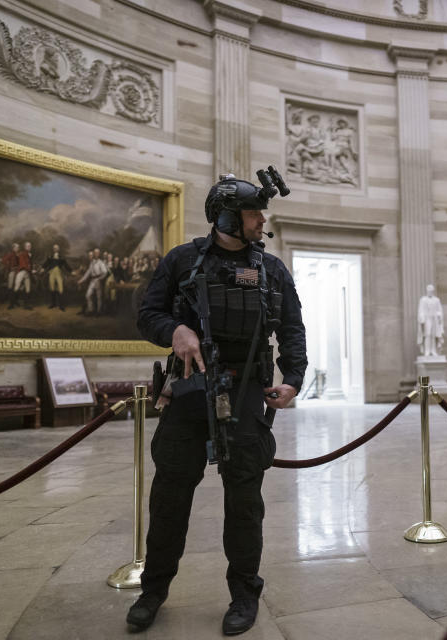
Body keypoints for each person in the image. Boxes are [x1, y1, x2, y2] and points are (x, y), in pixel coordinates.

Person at [127, 169, 306, 636]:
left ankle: (244, 594)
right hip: (189, 389)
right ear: (226, 215)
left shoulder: (271, 269)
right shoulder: (182, 260)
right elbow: (148, 315)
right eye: (253, 213)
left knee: (245, 502)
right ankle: (154, 590)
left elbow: (291, 328)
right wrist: (176, 331)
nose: (260, 220)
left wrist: (294, 378)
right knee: (169, 496)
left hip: (247, 391)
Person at [77, 248, 108, 315]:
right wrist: (81, 280)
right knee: (88, 295)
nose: (96, 254)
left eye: (97, 253)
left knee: (98, 297)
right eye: (95, 253)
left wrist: (100, 279)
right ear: (94, 254)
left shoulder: (101, 263)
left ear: (99, 254)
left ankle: (99, 311)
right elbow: (88, 273)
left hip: (98, 281)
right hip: (92, 281)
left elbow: (105, 272)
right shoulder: (92, 262)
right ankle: (91, 310)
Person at [417, 284, 444, 356]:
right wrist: (422, 316)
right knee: (427, 334)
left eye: (431, 291)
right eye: (429, 290)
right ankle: (427, 351)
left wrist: (439, 314)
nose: (430, 292)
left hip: (434, 318)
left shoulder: (437, 300)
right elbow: (421, 310)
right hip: (427, 319)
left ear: (433, 291)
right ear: (427, 291)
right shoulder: (423, 299)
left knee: (433, 335)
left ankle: (433, 350)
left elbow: (439, 310)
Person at [42, 244, 70, 311]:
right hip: (51, 273)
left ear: (58, 249)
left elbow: (66, 265)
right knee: (52, 288)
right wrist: (42, 268)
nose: (55, 249)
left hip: (58, 273)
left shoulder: (62, 257)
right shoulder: (50, 257)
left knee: (60, 288)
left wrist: (71, 271)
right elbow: (46, 264)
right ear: (53, 249)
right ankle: (53, 304)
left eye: (56, 248)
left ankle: (61, 306)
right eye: (54, 248)